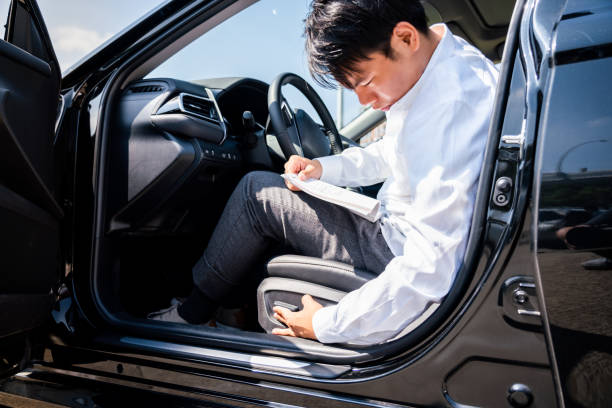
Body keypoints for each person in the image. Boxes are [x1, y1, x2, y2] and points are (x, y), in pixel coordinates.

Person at [149, 0, 499, 345]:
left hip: (398, 248)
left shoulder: (451, 106)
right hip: (396, 228)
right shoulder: (440, 70)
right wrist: (322, 168)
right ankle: (233, 313)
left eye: (367, 80)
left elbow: (429, 269)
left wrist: (325, 323)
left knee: (257, 194)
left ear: (405, 38)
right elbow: (393, 153)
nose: (364, 101)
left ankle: (193, 314)